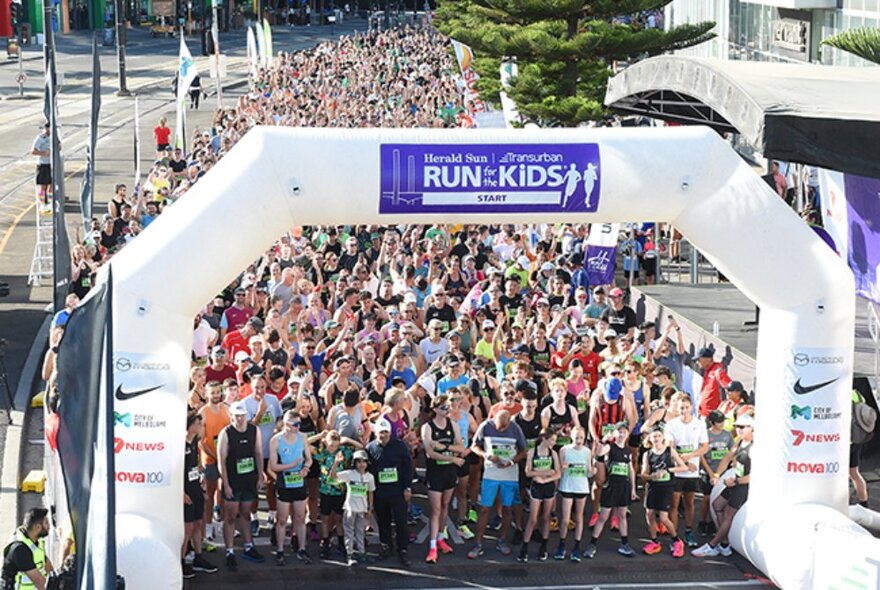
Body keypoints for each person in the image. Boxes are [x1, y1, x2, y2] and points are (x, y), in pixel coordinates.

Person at [467, 409, 527, 559]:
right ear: (494, 420)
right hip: (491, 473)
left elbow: (524, 450)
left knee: (507, 508)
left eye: (504, 428)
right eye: (499, 427)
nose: (501, 430)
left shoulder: (515, 428)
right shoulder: (485, 426)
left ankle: (502, 540)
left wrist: (512, 461)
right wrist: (486, 455)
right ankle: (478, 543)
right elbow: (474, 446)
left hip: (510, 474)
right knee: (485, 509)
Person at [693, 413, 754, 557]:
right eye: (736, 426)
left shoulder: (755, 448)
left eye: (742, 427)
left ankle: (713, 545)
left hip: (743, 485)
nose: (738, 429)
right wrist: (716, 475)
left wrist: (737, 481)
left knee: (728, 514)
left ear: (752, 428)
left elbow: (756, 475)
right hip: (735, 482)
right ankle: (724, 543)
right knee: (716, 505)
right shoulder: (739, 442)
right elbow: (727, 458)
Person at [217, 401, 265, 570]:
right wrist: (226, 484)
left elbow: (258, 453)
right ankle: (229, 551)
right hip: (233, 480)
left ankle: (248, 546)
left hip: (249, 480)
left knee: (246, 514)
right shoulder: (226, 433)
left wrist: (260, 475)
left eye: (242, 415)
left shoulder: (254, 430)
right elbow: (221, 461)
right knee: (230, 516)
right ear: (232, 416)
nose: (239, 419)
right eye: (236, 416)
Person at [421, 394, 466, 564]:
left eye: (448, 407)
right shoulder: (427, 427)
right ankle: (432, 546)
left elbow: (461, 447)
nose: (447, 410)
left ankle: (440, 537)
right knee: (435, 510)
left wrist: (444, 447)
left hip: (449, 472)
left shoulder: (452, 425)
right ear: (435, 410)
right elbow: (430, 453)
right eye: (443, 408)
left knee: (446, 505)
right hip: (435, 472)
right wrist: (453, 458)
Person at [583, 422, 637, 559]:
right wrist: (605, 438)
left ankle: (624, 544)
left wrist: (633, 489)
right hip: (611, 486)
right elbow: (599, 452)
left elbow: (631, 470)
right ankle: (592, 544)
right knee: (603, 517)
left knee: (622, 516)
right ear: (615, 434)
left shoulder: (628, 451)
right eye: (619, 432)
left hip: (623, 487)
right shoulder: (610, 447)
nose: (622, 434)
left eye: (624, 432)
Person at [366, 419, 413, 567]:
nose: (383, 435)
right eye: (381, 432)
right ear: (375, 433)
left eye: (386, 432)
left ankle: (402, 549)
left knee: (401, 521)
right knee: (383, 521)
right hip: (380, 492)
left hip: (397, 491)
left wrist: (407, 487)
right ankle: (386, 547)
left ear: (390, 433)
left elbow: (407, 467)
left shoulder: (399, 446)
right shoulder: (370, 448)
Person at [268, 410, 313, 566]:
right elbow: (273, 466)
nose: (298, 427)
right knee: (282, 519)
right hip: (284, 483)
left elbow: (309, 459)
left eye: (299, 424)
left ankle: (302, 548)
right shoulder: (276, 441)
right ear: (287, 425)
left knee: (300, 518)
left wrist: (306, 468)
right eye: (295, 425)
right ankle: (280, 550)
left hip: (299, 483)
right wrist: (291, 466)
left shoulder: (302, 437)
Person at [640, 427, 693, 558]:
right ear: (650, 439)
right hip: (653, 487)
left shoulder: (670, 451)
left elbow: (683, 467)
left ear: (662, 438)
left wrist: (668, 471)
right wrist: (653, 477)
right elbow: (643, 474)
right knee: (650, 514)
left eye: (658, 436)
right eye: (654, 437)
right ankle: (654, 542)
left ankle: (676, 540)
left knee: (663, 518)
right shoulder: (647, 454)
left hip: (666, 487)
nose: (656, 439)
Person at [664, 392, 708, 548]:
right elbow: (670, 447)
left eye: (687, 407)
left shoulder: (699, 424)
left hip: (692, 471)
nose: (684, 411)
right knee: (674, 503)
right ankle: (674, 537)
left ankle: (688, 532)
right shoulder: (671, 425)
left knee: (689, 502)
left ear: (692, 407)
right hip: (678, 470)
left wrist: (691, 456)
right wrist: (683, 463)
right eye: (681, 408)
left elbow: (704, 447)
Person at [517, 428, 560, 563]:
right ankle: (524, 547)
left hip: (548, 487)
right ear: (544, 438)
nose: (553, 443)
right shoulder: (532, 452)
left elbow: (558, 473)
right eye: (552, 440)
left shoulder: (553, 454)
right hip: (536, 486)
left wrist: (546, 479)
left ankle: (544, 546)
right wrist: (544, 473)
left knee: (546, 517)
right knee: (533, 519)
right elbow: (528, 472)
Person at [183, 412, 218, 578]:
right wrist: (181, 493)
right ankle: (182, 561)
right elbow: (175, 471)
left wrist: (200, 475)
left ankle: (198, 557)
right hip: (185, 491)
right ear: (190, 426)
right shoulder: (180, 444)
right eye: (199, 424)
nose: (202, 427)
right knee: (187, 528)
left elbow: (194, 465)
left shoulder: (195, 441)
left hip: (195, 487)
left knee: (198, 523)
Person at [330, 449, 376, 567]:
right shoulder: (349, 474)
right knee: (349, 532)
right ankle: (349, 554)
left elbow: (371, 492)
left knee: (360, 532)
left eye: (364, 462)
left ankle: (362, 553)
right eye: (358, 462)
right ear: (354, 463)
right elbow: (333, 477)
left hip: (362, 509)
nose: (361, 464)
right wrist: (336, 464)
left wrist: (370, 508)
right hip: (350, 508)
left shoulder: (369, 477)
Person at [555, 426, 594, 561]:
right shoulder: (564, 450)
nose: (579, 440)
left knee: (579, 517)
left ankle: (576, 546)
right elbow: (559, 471)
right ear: (571, 436)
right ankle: (562, 544)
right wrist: (562, 467)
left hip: (581, 487)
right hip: (567, 486)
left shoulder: (587, 451)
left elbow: (588, 470)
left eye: (581, 438)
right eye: (576, 437)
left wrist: (592, 471)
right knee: (565, 519)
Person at [198, 381, 229, 543]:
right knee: (209, 495)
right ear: (206, 394)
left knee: (224, 493)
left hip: (225, 459)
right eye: (213, 392)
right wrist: (216, 457)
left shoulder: (226, 409)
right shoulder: (203, 412)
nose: (216, 395)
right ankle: (208, 527)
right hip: (210, 459)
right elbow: (201, 441)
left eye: (218, 392)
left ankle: (221, 525)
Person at [699, 410, 734, 536]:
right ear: (712, 423)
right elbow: (701, 456)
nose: (722, 423)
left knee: (719, 498)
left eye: (723, 421)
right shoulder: (705, 435)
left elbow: (732, 452)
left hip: (723, 472)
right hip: (708, 470)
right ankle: (702, 522)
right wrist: (710, 473)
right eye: (719, 421)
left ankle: (712, 523)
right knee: (707, 498)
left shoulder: (727, 435)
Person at [1, 508, 52, 590]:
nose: (49, 526)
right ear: (38, 527)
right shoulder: (20, 549)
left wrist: (54, 578)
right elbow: (39, 581)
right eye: (46, 523)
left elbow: (46, 563)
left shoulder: (35, 540)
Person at [695, 347, 732, 418]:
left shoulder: (718, 372)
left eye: (699, 360)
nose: (697, 362)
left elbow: (731, 389)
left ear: (708, 359)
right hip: (704, 414)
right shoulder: (708, 371)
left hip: (712, 416)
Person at [31, 123, 51, 211]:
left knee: (51, 186)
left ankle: (49, 203)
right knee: (43, 186)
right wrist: (44, 154)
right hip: (43, 164)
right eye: (47, 129)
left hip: (52, 164)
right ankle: (42, 204)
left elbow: (59, 146)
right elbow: (33, 151)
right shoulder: (40, 138)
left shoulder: (53, 136)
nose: (48, 131)